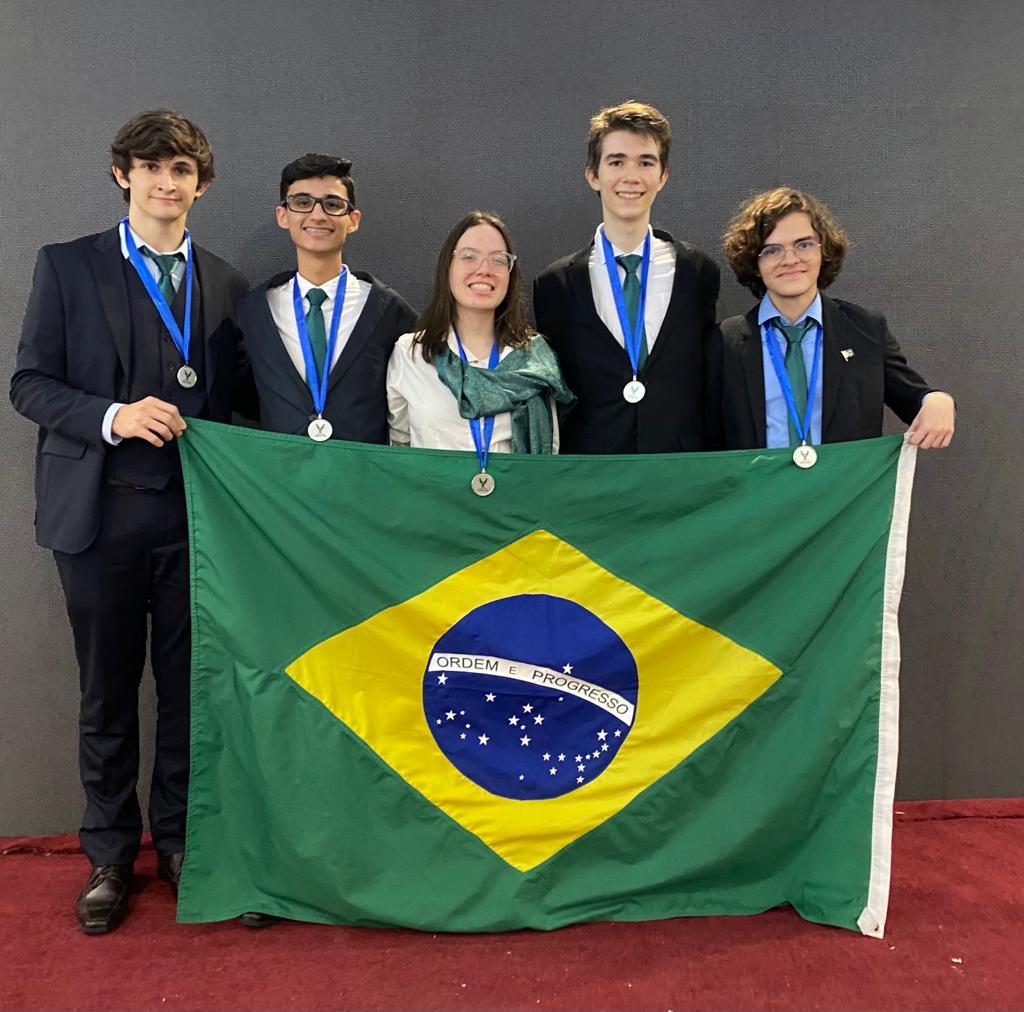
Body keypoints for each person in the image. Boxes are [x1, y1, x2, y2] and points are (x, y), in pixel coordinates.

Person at [9, 110, 250, 933]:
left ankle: (177, 842)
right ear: (123, 175)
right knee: (106, 693)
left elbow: (237, 408)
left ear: (201, 185)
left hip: (194, 526)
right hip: (98, 519)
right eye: (151, 168)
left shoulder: (225, 281)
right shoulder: (67, 266)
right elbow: (29, 385)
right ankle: (110, 853)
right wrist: (113, 416)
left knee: (187, 696)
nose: (166, 183)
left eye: (182, 170)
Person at [532, 100, 719, 454]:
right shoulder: (556, 284)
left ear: (663, 175)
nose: (631, 177)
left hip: (679, 471)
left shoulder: (698, 273)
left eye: (645, 162)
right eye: (616, 162)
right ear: (593, 174)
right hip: (592, 475)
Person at [710, 187, 955, 453]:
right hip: (759, 492)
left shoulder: (865, 331)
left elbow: (914, 396)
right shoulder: (725, 341)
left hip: (844, 493)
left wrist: (937, 400)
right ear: (753, 261)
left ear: (823, 250)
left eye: (803, 244)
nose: (790, 259)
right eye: (772, 250)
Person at [236, 153, 416, 443]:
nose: (317, 215)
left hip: (364, 480)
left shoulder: (391, 313)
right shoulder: (255, 312)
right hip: (280, 480)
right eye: (302, 202)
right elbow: (243, 396)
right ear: (283, 215)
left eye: (332, 204)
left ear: (353, 220)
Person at [387, 211, 572, 490]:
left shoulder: (536, 358)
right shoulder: (411, 354)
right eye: (469, 257)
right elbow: (399, 448)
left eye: (498, 259)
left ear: (510, 273)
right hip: (434, 515)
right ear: (447, 266)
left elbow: (551, 451)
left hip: (516, 517)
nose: (484, 269)